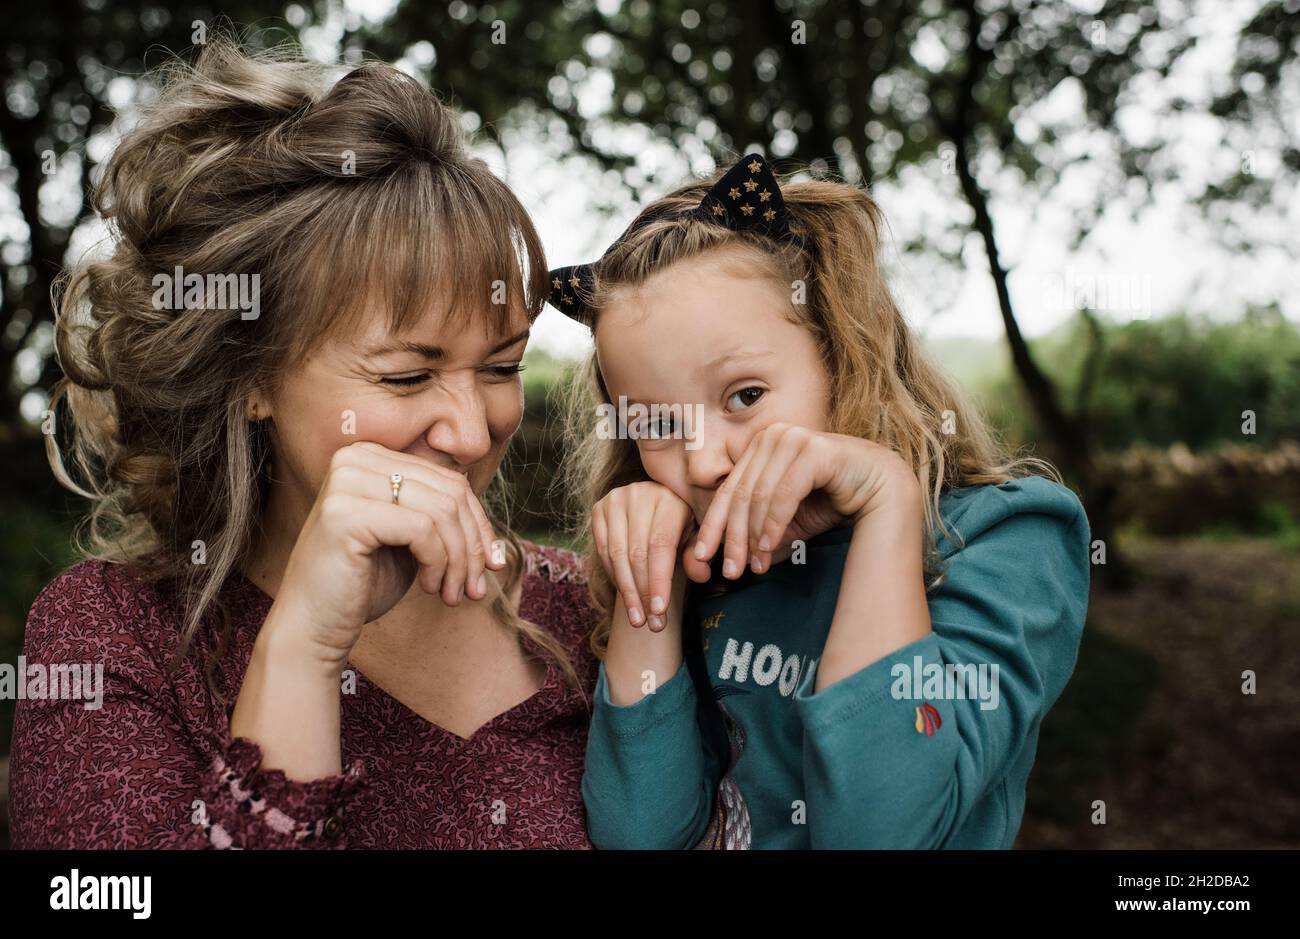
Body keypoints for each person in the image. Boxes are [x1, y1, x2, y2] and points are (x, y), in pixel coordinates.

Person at [9, 40, 597, 849]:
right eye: (403, 376)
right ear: (251, 374)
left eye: (501, 366)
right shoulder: (113, 634)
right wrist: (304, 647)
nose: (470, 431)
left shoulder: (588, 615)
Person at [561, 153, 1091, 848]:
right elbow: (641, 834)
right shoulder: (709, 568)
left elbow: (881, 832)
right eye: (657, 424)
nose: (703, 460)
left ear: (846, 350)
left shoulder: (1010, 535)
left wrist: (886, 505)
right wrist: (647, 594)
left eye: (745, 396)